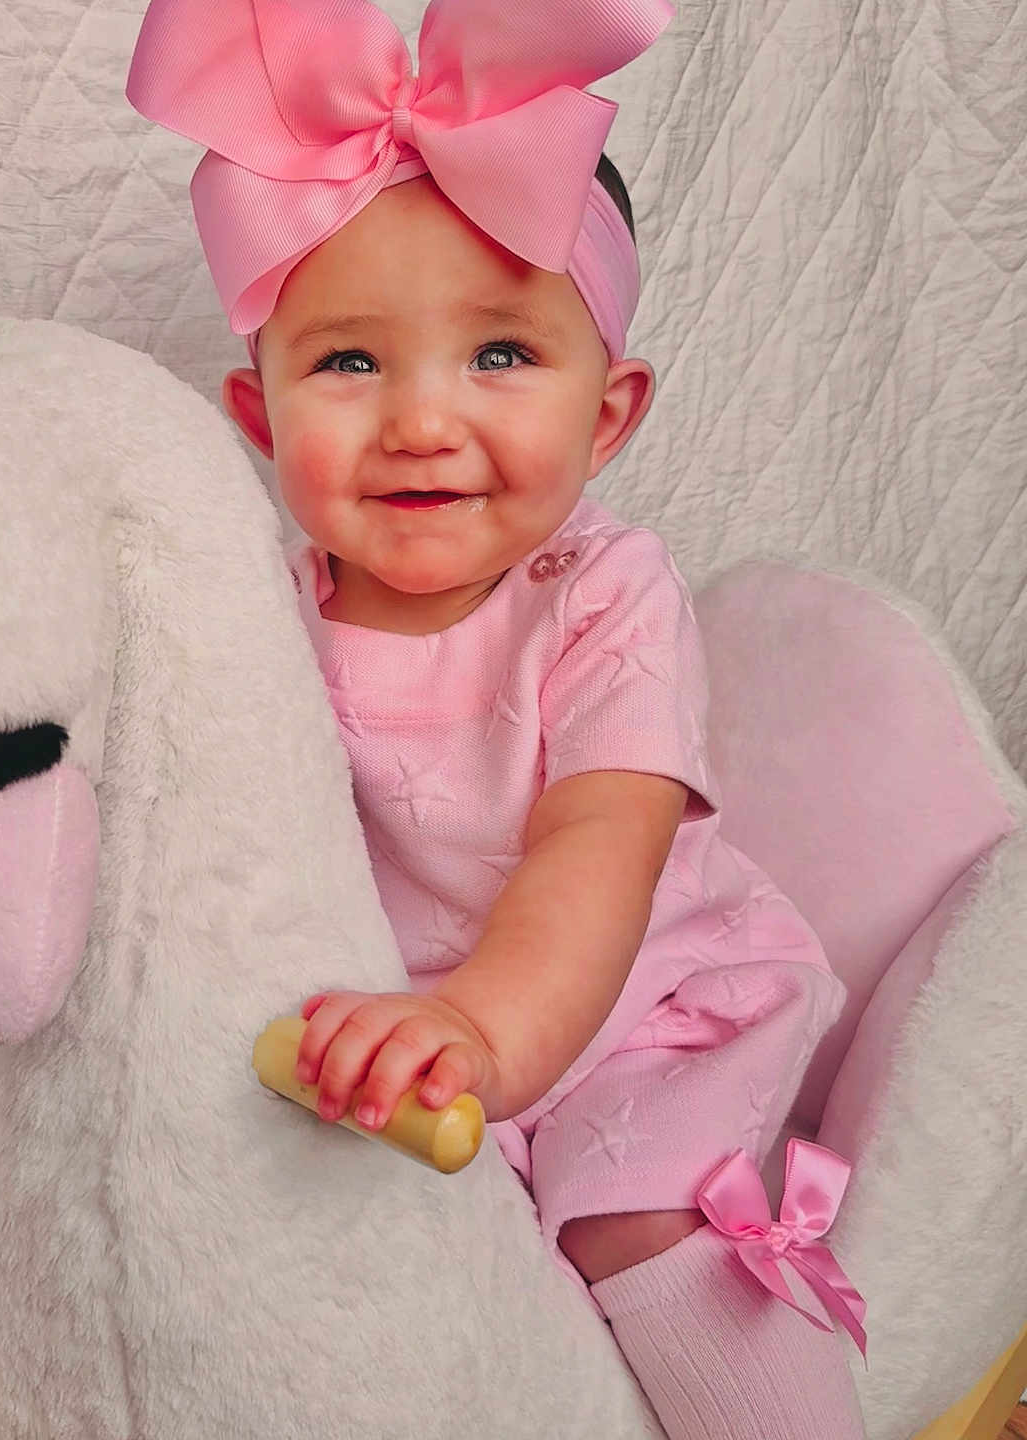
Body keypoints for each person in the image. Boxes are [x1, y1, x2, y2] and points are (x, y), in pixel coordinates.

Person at [127, 2, 868, 1436]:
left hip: (631, 1003)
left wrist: (481, 1023)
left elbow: (601, 839)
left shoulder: (603, 596)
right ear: (258, 416)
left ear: (608, 416)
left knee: (625, 1222)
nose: (420, 420)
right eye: (348, 364)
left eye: (501, 358)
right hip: (412, 1030)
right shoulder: (260, 609)